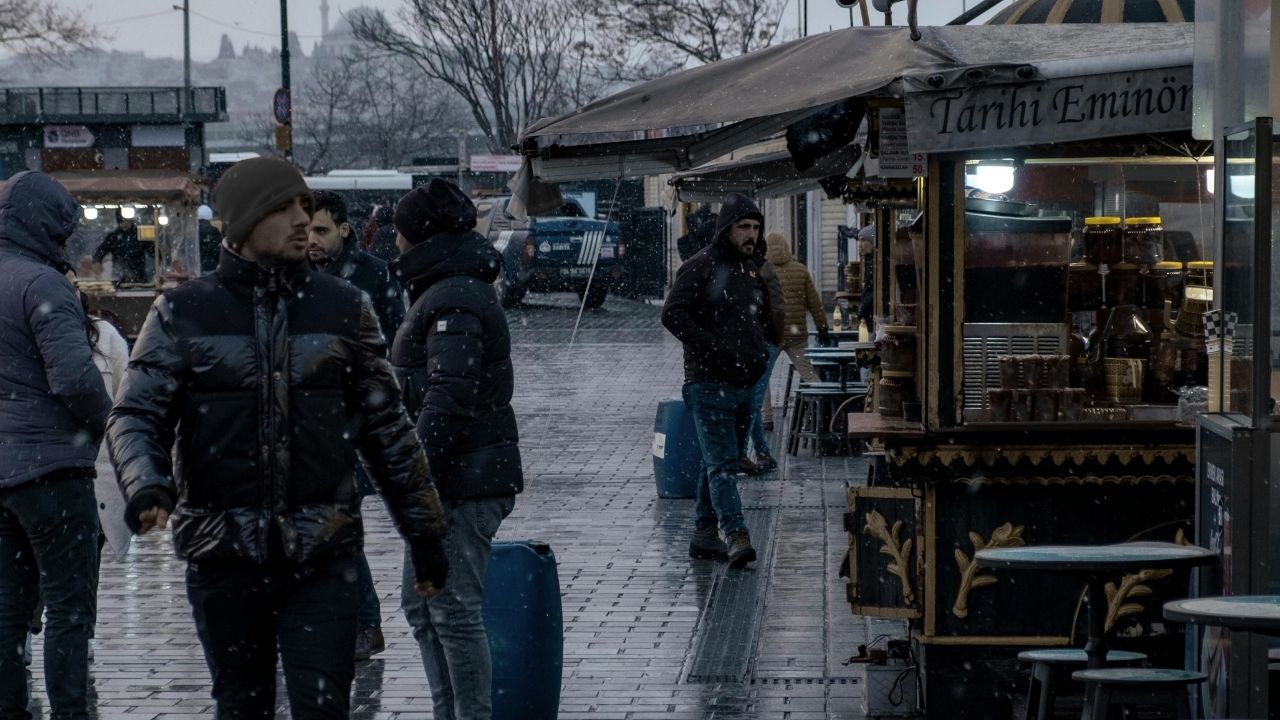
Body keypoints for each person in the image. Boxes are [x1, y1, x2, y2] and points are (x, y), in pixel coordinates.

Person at [106, 156, 450, 719]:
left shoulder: (343, 307)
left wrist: (425, 532)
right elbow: (136, 414)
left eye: (305, 206)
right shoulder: (184, 312)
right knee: (241, 706)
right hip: (223, 558)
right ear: (239, 225)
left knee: (323, 706)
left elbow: (389, 431)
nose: (301, 219)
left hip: (322, 558)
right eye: (282, 207)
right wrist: (147, 483)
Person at [390, 179, 523, 720]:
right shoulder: (444, 287)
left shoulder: (454, 294)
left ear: (419, 235)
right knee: (423, 608)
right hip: (449, 479)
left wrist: (414, 471)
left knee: (451, 612)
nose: (393, 241)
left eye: (399, 230)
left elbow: (449, 394)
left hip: (462, 482)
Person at [0, 171, 112, 720]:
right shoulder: (42, 284)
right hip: (51, 470)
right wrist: (103, 422)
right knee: (70, 608)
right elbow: (73, 378)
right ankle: (72, 711)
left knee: (5, 610)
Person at [307, 189, 406, 661]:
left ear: (344, 230)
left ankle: (365, 623)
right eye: (306, 229)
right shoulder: (297, 274)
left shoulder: (373, 276)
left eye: (321, 230)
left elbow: (393, 349)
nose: (311, 239)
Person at [661, 192, 770, 568]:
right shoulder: (701, 265)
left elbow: (759, 317)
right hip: (708, 384)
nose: (751, 234)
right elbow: (674, 314)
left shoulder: (751, 268)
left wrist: (758, 353)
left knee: (721, 463)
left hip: (743, 383)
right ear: (727, 229)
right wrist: (715, 349)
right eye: (744, 227)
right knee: (723, 465)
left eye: (756, 227)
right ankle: (736, 533)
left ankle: (703, 534)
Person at [762, 231, 827, 433]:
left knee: (763, 378)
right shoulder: (801, 270)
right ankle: (821, 413)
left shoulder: (762, 271)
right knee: (808, 373)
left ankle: (767, 418)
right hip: (796, 334)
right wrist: (822, 326)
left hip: (772, 334)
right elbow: (814, 303)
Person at [739, 234, 786, 474]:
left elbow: (777, 308)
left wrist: (775, 340)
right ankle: (762, 452)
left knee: (753, 400)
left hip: (763, 342)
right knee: (751, 400)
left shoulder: (762, 269)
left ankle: (745, 452)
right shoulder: (741, 268)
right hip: (749, 342)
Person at [92, 208, 149, 283]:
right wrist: (97, 261)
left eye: (127, 221)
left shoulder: (140, 235)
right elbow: (100, 251)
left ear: (131, 220)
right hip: (119, 278)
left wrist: (159, 251)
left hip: (139, 277)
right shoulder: (114, 237)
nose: (125, 224)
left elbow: (153, 251)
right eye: (121, 221)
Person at [857, 224, 876, 335]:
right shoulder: (870, 262)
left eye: (863, 240)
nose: (860, 244)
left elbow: (872, 290)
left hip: (870, 314)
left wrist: (863, 307)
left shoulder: (874, 264)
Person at [197, 204, 224, 275]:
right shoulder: (214, 231)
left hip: (197, 268)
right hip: (211, 268)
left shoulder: (193, 232)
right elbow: (218, 250)